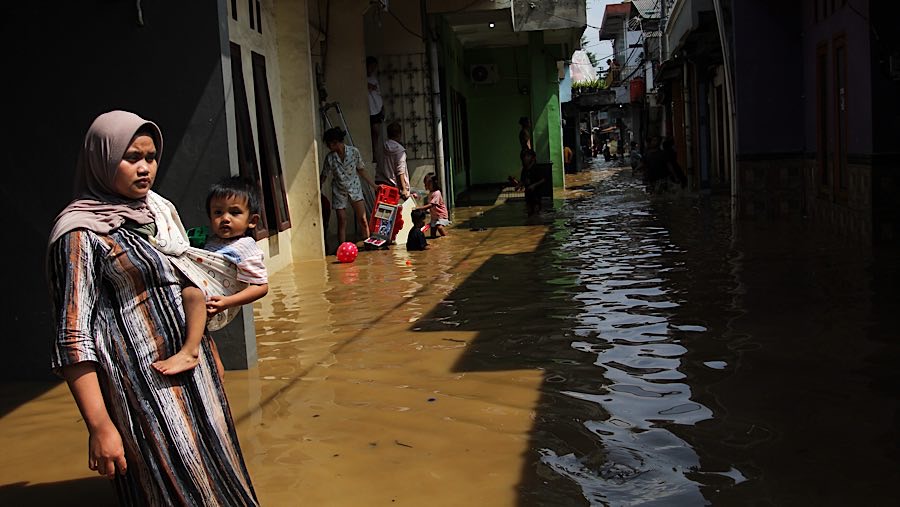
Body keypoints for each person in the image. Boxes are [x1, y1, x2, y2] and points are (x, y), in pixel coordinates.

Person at [47, 110, 258, 504]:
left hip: (194, 376)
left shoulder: (152, 214)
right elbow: (73, 337)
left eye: (151, 157)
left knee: (219, 477)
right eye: (131, 158)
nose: (145, 168)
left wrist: (207, 351)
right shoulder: (79, 234)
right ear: (102, 159)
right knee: (168, 488)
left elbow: (179, 288)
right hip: (144, 390)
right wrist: (100, 426)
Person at [151, 177, 269, 376]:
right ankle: (218, 373)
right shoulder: (212, 242)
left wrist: (227, 302)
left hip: (221, 299)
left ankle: (189, 352)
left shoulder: (246, 249)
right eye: (218, 212)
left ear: (252, 221)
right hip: (211, 300)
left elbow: (261, 286)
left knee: (191, 293)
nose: (225, 218)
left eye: (235, 212)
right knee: (203, 334)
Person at [320, 127, 377, 245]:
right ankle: (342, 246)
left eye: (330, 144)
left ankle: (367, 246)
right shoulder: (330, 158)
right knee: (341, 220)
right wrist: (317, 190)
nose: (329, 147)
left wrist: (373, 185)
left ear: (335, 142)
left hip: (354, 188)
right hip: (339, 190)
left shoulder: (354, 152)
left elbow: (361, 170)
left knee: (363, 219)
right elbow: (324, 175)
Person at [377, 121, 411, 200]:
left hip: (381, 184)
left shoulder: (381, 148)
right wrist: (404, 189)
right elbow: (400, 171)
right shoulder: (400, 151)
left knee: (382, 210)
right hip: (393, 188)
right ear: (399, 134)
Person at [416, 173, 449, 238]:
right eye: (426, 184)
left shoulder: (437, 193)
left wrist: (421, 208)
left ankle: (446, 238)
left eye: (428, 184)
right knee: (432, 233)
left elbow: (431, 205)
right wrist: (415, 195)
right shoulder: (430, 192)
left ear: (434, 183)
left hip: (440, 215)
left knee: (439, 227)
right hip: (434, 216)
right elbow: (421, 193)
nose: (426, 186)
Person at [367, 56, 385, 163]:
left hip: (376, 108)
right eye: (371, 66)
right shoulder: (363, 78)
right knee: (373, 130)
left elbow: (378, 93)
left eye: (374, 67)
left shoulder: (373, 79)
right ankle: (373, 154)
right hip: (369, 110)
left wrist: (383, 107)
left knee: (376, 132)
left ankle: (375, 153)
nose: (372, 69)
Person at [520, 149, 546, 216]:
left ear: (533, 158)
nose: (525, 158)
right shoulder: (524, 169)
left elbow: (543, 179)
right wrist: (519, 185)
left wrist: (534, 185)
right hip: (528, 193)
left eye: (528, 156)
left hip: (536, 193)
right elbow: (523, 180)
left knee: (536, 211)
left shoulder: (537, 168)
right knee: (529, 211)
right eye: (524, 156)